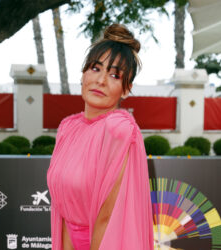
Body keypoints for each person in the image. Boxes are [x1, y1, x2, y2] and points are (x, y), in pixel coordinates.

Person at [47, 24, 154, 250]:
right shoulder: (68, 127)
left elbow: (107, 217)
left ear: (126, 89)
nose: (101, 80)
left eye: (115, 75)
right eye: (95, 69)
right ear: (83, 74)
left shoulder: (118, 129)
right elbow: (64, 212)